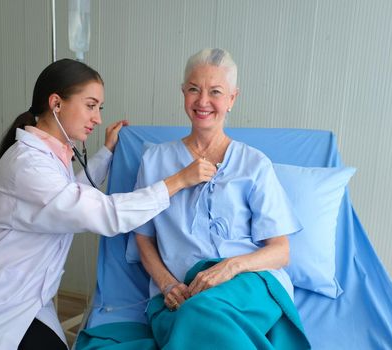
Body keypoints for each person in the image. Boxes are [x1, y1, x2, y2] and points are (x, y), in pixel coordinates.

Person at [0, 58, 217, 350]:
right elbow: (104, 213)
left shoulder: (50, 156)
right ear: (56, 103)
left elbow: (67, 197)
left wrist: (107, 151)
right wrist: (178, 181)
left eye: (99, 108)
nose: (98, 118)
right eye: (91, 105)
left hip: (24, 297)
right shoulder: (27, 164)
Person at [133, 49, 311, 349]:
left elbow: (280, 252)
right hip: (181, 291)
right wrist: (167, 284)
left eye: (215, 92)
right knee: (194, 313)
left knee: (200, 315)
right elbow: (143, 239)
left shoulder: (254, 165)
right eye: (193, 89)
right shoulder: (154, 161)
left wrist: (230, 267)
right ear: (183, 93)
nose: (203, 101)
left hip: (249, 284)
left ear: (232, 99)